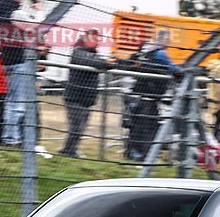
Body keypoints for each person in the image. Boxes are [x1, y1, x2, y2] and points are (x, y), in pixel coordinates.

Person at [125, 30, 181, 160]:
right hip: (147, 96)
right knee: (147, 126)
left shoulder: (144, 53)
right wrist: (184, 73)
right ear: (161, 40)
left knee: (137, 126)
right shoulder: (160, 53)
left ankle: (134, 152)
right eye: (167, 39)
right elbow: (171, 67)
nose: (168, 42)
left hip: (137, 94)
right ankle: (143, 155)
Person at [60, 30, 115, 158]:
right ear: (86, 40)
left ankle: (69, 150)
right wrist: (106, 62)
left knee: (81, 127)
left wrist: (109, 63)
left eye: (98, 40)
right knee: (76, 127)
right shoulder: (78, 52)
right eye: (95, 40)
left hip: (85, 98)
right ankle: (69, 151)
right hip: (75, 97)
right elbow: (93, 62)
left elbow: (104, 64)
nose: (98, 42)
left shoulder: (94, 55)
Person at [0, 0, 26, 146]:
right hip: (18, 59)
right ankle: (11, 137)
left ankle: (8, 136)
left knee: (10, 102)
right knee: (17, 103)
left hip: (6, 59)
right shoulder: (17, 13)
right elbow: (34, 27)